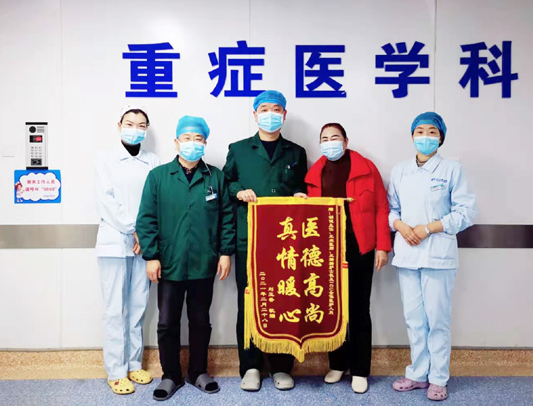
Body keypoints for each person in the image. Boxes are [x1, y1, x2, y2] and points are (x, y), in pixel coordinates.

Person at [136, 115, 235, 401]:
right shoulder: (158, 177)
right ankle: (170, 375)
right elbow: (146, 218)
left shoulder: (216, 177)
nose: (192, 143)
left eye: (198, 139)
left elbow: (227, 218)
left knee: (200, 320)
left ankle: (198, 372)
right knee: (167, 322)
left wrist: (225, 253)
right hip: (170, 262)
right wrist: (151, 256)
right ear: (176, 142)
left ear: (205, 143)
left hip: (204, 261)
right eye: (187, 138)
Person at [388, 112, 477, 401]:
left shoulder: (452, 169)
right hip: (407, 253)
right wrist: (401, 226)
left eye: (432, 132)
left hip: (438, 255)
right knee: (414, 319)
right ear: (412, 135)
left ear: (441, 138)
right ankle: (417, 374)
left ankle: (438, 378)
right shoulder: (400, 170)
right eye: (420, 131)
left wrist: (428, 228)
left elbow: (466, 212)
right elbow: (391, 208)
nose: (425, 137)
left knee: (437, 320)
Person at [223, 90, 308, 391]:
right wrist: (238, 191)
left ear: (284, 115)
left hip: (285, 242)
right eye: (264, 109)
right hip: (250, 239)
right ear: (255, 114)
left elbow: (303, 186)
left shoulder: (296, 152)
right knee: (249, 302)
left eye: (276, 109)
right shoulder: (239, 149)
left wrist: (301, 195)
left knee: (285, 299)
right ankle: (250, 367)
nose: (270, 114)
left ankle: (281, 367)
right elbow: (227, 181)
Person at [304, 123, 391, 394]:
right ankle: (338, 364)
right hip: (326, 250)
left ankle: (360, 369)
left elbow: (381, 208)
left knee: (358, 310)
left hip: (360, 247)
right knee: (333, 309)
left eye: (335, 137)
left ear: (345, 141)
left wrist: (382, 247)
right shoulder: (315, 172)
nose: (330, 142)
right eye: (325, 138)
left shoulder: (366, 168)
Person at [94, 105, 159, 395]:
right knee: (114, 310)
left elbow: (155, 199)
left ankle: (134, 364)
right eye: (130, 123)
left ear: (146, 130)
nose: (135, 129)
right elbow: (106, 200)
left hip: (143, 244)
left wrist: (144, 233)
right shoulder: (104, 159)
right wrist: (134, 228)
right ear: (119, 125)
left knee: (138, 306)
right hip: (114, 242)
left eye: (141, 125)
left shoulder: (153, 161)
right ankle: (116, 371)